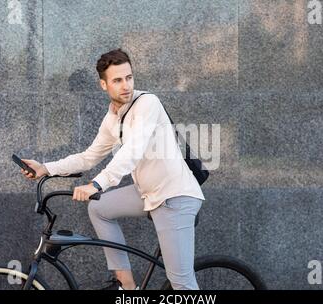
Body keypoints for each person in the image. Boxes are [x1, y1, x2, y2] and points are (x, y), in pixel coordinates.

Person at [20, 49, 205, 290]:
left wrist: (97, 184)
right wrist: (45, 168)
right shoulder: (112, 119)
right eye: (117, 80)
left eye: (129, 77)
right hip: (148, 192)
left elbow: (132, 152)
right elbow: (88, 157)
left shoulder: (148, 103)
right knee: (99, 207)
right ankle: (127, 287)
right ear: (103, 84)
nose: (125, 85)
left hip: (175, 196)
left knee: (181, 283)